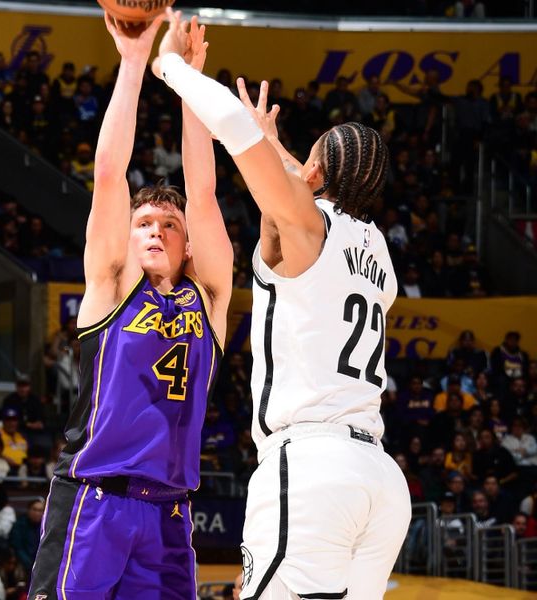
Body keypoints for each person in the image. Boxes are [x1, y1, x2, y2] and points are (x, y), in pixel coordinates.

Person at [157, 9, 410, 597]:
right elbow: (315, 191)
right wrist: (282, 154)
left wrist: (170, 64)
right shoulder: (382, 258)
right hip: (379, 478)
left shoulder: (307, 225)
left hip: (313, 466)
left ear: (315, 172)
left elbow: (236, 134)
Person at [29, 13, 231, 600]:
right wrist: (134, 59)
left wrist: (191, 82)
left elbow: (205, 191)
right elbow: (109, 174)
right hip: (95, 498)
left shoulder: (208, 297)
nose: (154, 230)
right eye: (143, 222)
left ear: (188, 241)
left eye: (169, 224)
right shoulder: (112, 287)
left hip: (169, 513)